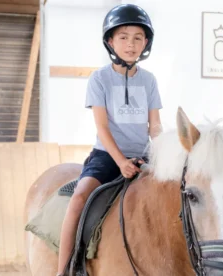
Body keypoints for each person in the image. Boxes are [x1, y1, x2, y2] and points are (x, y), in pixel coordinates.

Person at [56, 4, 162, 275]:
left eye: (138, 38)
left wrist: (165, 154)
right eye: (124, 37)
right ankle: (65, 268)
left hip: (143, 156)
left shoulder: (149, 81)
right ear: (110, 41)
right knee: (79, 197)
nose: (131, 44)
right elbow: (102, 127)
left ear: (146, 43)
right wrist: (121, 161)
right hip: (107, 156)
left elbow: (156, 127)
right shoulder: (99, 79)